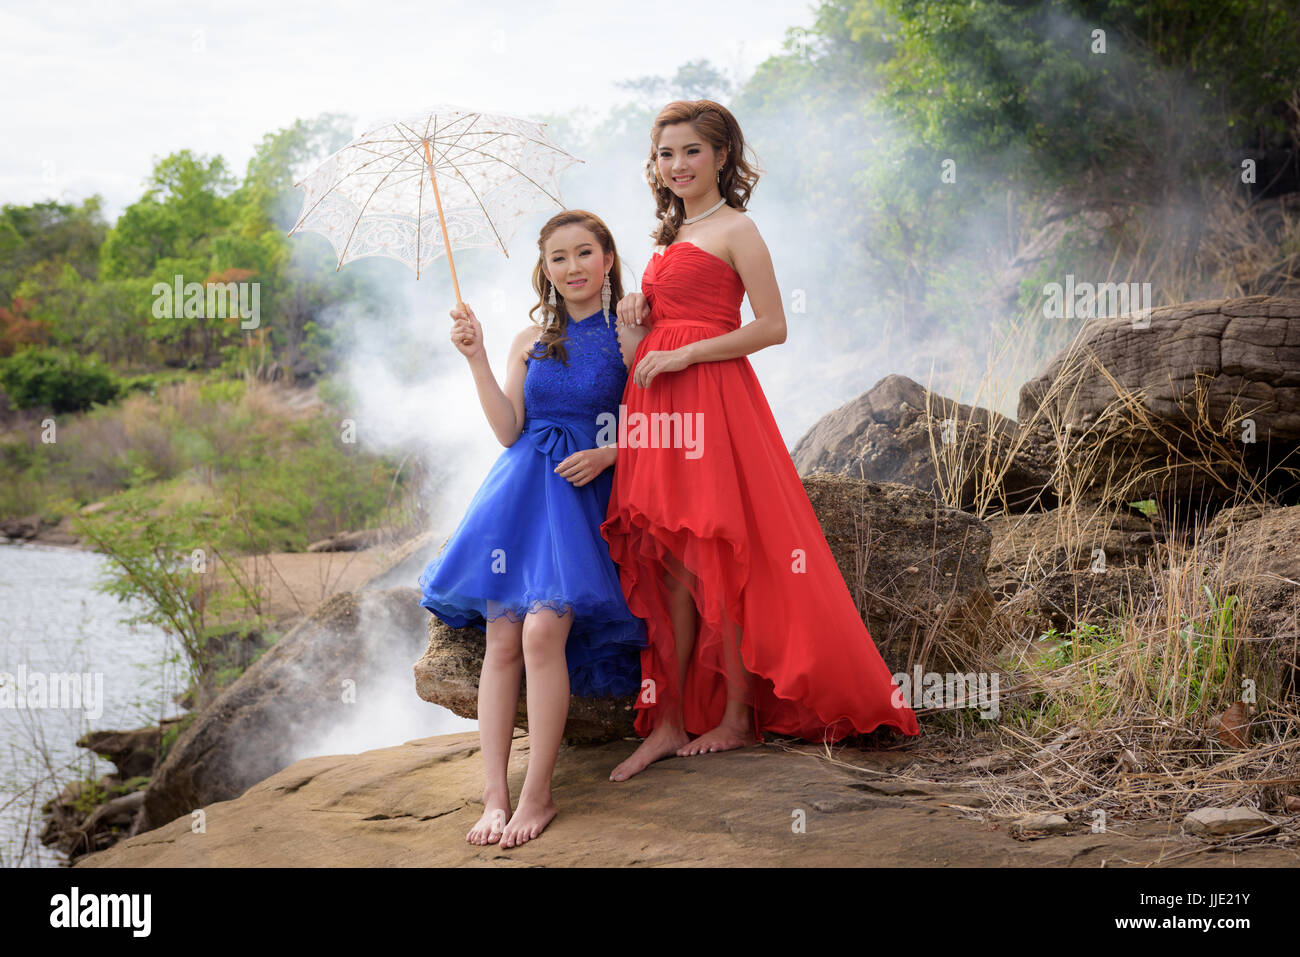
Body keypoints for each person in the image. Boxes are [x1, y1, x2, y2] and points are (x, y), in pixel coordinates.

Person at [601, 100, 921, 783]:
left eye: (691, 151)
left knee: (721, 547)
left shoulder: (738, 228)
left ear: (720, 156)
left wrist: (686, 355)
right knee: (673, 560)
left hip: (713, 398)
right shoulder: (666, 236)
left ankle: (739, 714)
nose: (678, 165)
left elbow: (773, 326)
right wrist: (637, 314)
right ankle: (672, 716)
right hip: (659, 408)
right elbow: (655, 335)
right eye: (665, 154)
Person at [418, 210, 648, 844]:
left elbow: (660, 424)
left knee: (544, 631)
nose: (572, 267)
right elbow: (507, 429)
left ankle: (538, 795)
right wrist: (478, 358)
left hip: (584, 496)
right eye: (558, 258)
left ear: (607, 258)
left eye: (584, 253)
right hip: (520, 495)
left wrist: (611, 453)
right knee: (502, 639)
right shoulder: (531, 339)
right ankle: (494, 793)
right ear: (544, 269)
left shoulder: (630, 332)